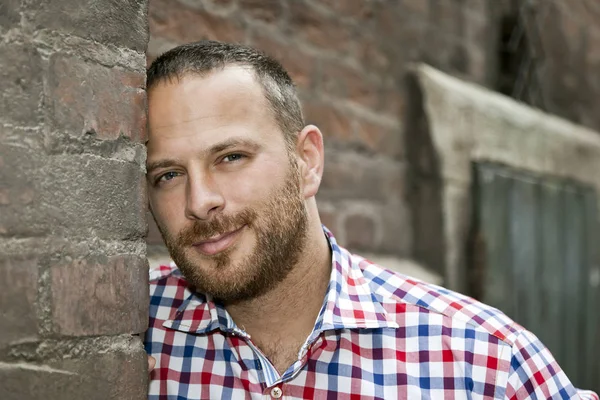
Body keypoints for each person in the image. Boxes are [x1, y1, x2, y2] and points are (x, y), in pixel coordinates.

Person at [143, 40, 598, 399]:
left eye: (231, 157)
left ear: (307, 162)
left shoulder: (486, 363)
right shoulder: (127, 330)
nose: (200, 201)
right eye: (168, 174)